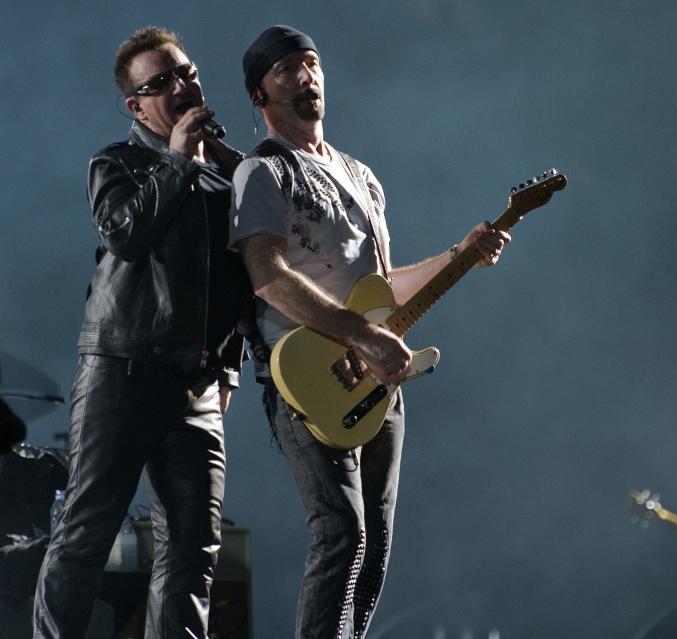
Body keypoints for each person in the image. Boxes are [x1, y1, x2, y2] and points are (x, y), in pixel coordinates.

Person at [229, 25, 511, 638]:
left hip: (377, 376)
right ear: (260, 95)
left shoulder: (361, 175)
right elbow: (267, 277)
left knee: (375, 540)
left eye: (312, 64)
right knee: (342, 531)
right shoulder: (263, 172)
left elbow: (384, 289)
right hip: (306, 376)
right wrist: (359, 335)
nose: (306, 77)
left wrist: (458, 256)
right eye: (287, 71)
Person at [33, 27, 250, 638]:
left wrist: (229, 367)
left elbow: (243, 282)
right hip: (121, 370)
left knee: (194, 550)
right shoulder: (117, 163)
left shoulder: (235, 173)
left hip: (197, 386)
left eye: (188, 72)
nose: (184, 87)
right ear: (136, 105)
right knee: (86, 534)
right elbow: (125, 235)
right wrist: (179, 158)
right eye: (162, 83)